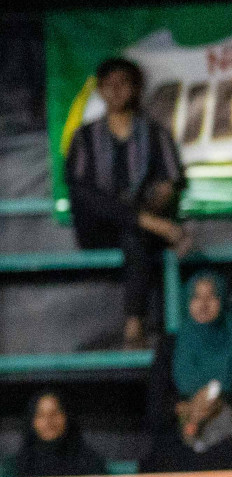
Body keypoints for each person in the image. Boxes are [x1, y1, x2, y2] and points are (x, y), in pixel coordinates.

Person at [65, 56, 187, 348]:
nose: (116, 91)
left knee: (133, 234)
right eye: (108, 85)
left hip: (142, 231)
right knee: (98, 203)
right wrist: (151, 223)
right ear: (100, 91)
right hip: (98, 230)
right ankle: (148, 224)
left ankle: (134, 325)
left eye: (123, 84)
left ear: (135, 88)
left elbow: (170, 182)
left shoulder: (155, 133)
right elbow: (81, 192)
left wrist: (151, 211)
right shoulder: (85, 137)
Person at [146, 271, 231, 442]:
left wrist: (218, 404)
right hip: (181, 434)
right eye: (196, 297)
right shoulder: (171, 344)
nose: (203, 305)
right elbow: (155, 406)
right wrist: (187, 409)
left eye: (212, 297)